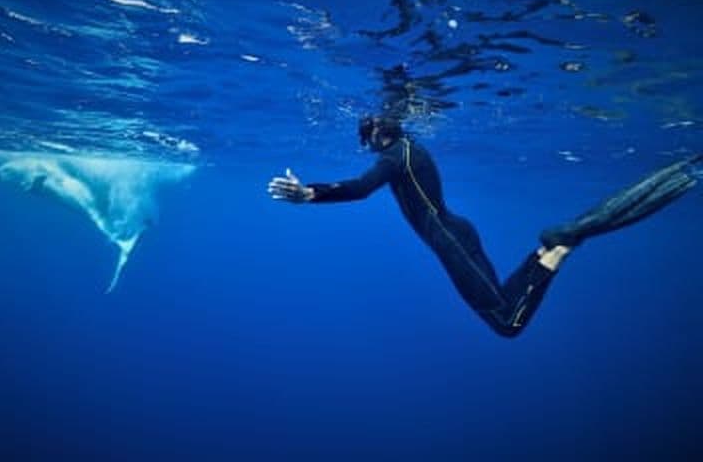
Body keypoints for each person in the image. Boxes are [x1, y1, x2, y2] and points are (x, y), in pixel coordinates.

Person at [267, 115, 700, 338]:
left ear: (377, 131)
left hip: (451, 240)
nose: (366, 143)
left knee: (507, 322)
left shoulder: (397, 153)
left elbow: (362, 188)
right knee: (500, 310)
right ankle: (552, 248)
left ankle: (558, 246)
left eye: (366, 135)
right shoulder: (407, 149)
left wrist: (310, 194)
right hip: (454, 235)